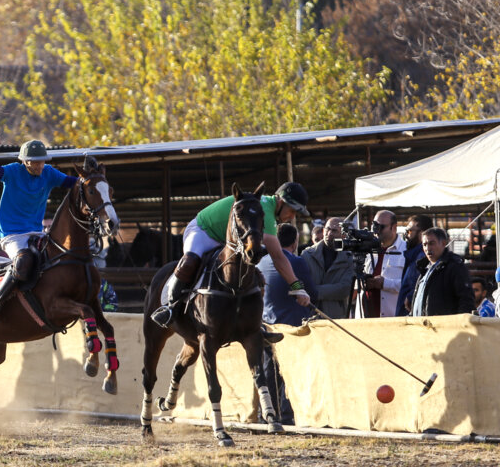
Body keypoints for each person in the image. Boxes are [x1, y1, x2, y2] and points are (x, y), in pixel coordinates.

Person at [150, 181, 312, 328]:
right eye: (292, 211)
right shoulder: (267, 213)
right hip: (203, 232)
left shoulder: (268, 210)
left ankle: (254, 322)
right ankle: (170, 307)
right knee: (190, 261)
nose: (292, 217)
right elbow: (278, 257)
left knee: (250, 273)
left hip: (226, 241)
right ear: (281, 202)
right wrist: (297, 287)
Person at [0, 132, 78, 328]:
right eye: (35, 162)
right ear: (25, 162)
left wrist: (91, 178)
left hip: (37, 232)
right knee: (23, 261)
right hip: (11, 234)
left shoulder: (49, 172)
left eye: (42, 161)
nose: (40, 165)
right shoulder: (14, 171)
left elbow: (73, 183)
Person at [258, 224, 317, 425]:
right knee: (292, 370)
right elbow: (311, 292)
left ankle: (268, 413)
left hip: (266, 322)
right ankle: (287, 413)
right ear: (295, 242)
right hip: (291, 325)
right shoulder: (297, 262)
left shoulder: (261, 262)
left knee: (269, 369)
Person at [410, 228, 474, 316]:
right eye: (424, 244)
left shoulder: (455, 267)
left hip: (444, 327)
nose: (427, 248)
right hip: (422, 327)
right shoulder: (424, 269)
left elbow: (466, 300)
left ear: (443, 243)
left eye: (431, 243)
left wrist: (459, 325)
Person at [356, 210, 406, 318]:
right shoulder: (368, 251)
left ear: (394, 227)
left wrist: (385, 283)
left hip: (393, 320)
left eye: (380, 227)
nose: (376, 231)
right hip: (366, 320)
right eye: (374, 226)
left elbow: (412, 285)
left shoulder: (406, 251)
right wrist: (363, 283)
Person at [301, 217, 354, 319]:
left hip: (336, 317)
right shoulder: (307, 255)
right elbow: (304, 286)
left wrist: (315, 291)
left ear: (343, 235)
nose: (329, 233)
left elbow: (345, 289)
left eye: (334, 231)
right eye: (327, 229)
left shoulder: (349, 258)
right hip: (310, 315)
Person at [395, 214, 434, 316]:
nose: (407, 235)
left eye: (410, 231)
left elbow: (414, 291)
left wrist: (410, 298)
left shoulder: (420, 257)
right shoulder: (414, 256)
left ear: (421, 234)